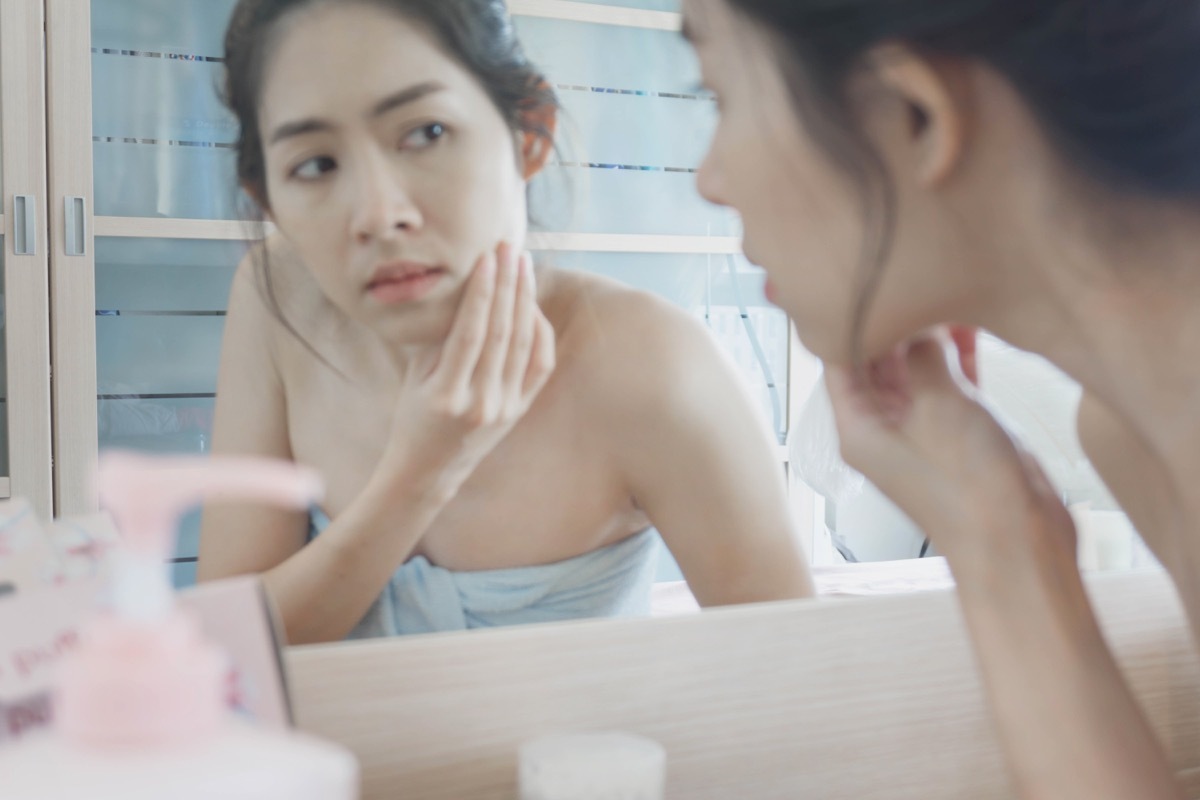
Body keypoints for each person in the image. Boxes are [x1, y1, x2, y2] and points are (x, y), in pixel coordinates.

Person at [681, 0, 1200, 796]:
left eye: (718, 96)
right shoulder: (1135, 437)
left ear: (914, 114)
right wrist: (997, 530)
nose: (707, 180)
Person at [197, 0, 813, 644]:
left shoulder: (655, 365)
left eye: (426, 133)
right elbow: (219, 655)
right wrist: (420, 474)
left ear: (530, 135)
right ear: (269, 200)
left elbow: (795, 675)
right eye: (316, 165)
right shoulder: (277, 299)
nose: (379, 215)